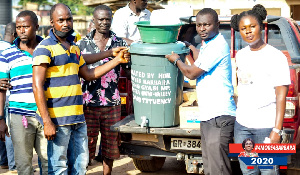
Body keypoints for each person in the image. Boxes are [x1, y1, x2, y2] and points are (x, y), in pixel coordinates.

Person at [32, 3, 129, 174]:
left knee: (78, 166)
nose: (66, 23)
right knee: (59, 167)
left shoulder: (74, 48)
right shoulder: (44, 48)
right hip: (58, 120)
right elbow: (37, 85)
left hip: (78, 118)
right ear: (52, 22)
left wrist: (117, 60)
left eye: (69, 19)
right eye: (60, 20)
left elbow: (89, 74)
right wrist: (47, 122)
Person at [165, 8, 236, 175]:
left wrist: (176, 61)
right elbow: (200, 58)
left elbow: (191, 72)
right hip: (209, 116)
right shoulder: (209, 44)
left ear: (217, 25)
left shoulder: (216, 46)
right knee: (211, 166)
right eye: (199, 25)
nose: (202, 29)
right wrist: (190, 47)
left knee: (218, 168)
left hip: (219, 116)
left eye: (207, 25)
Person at [230, 4, 290, 175]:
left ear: (261, 27)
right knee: (248, 171)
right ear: (239, 32)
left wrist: (276, 131)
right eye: (243, 28)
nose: (248, 32)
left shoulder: (276, 56)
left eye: (252, 27)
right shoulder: (240, 55)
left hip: (266, 126)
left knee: (269, 172)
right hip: (242, 126)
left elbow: (281, 95)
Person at [77, 5, 129, 174]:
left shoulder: (119, 43)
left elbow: (127, 71)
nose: (104, 22)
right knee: (86, 144)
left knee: (110, 144)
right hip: (88, 103)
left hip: (112, 102)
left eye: (108, 19)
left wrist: (128, 62)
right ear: (93, 21)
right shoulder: (81, 44)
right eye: (101, 19)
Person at [0, 11, 48, 175]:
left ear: (36, 27)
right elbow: (1, 88)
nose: (21, 30)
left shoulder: (47, 49)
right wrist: (1, 119)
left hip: (46, 114)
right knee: (23, 165)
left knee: (49, 163)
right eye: (19, 27)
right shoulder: (7, 54)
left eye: (26, 27)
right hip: (19, 116)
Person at [0, 22, 17, 172]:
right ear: (14, 35)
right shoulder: (13, 50)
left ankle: (3, 160)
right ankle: (12, 164)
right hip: (8, 96)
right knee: (8, 131)